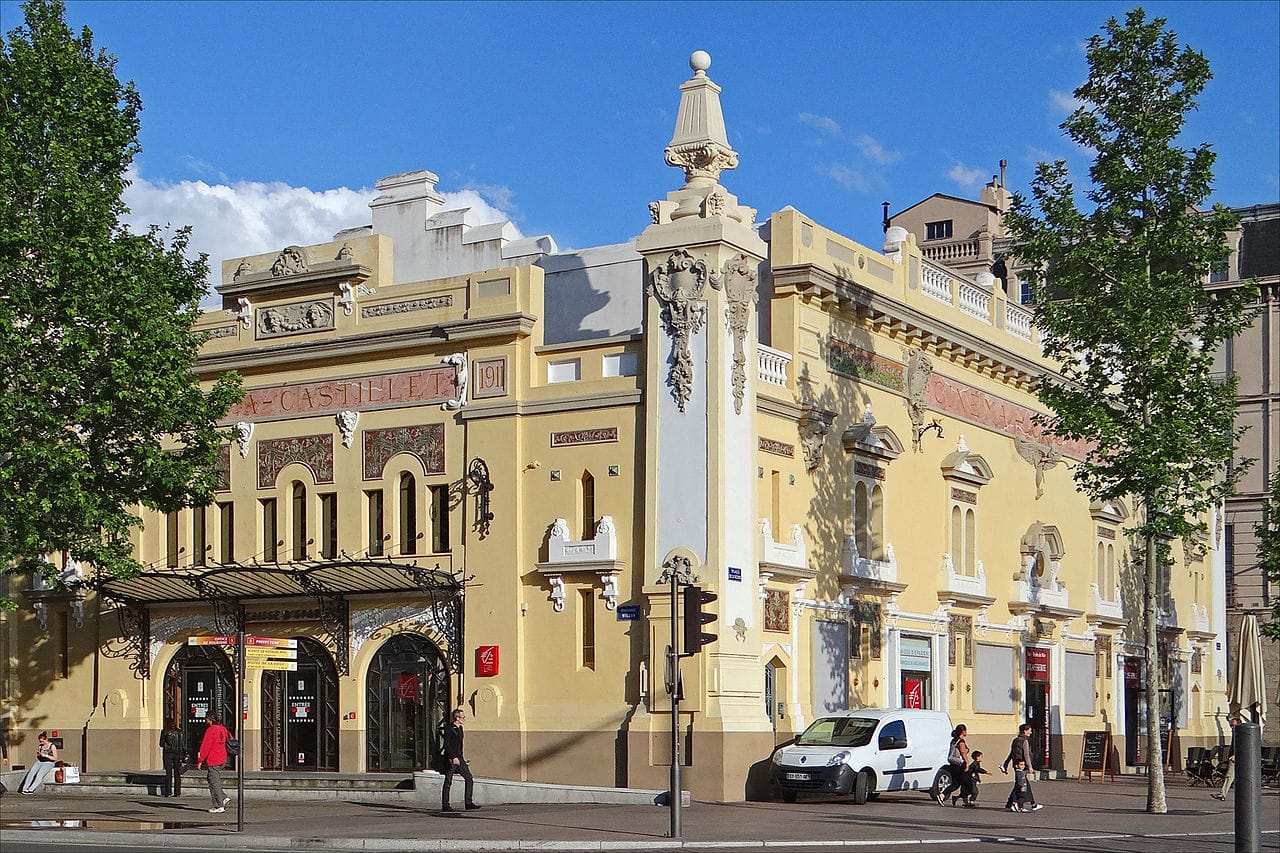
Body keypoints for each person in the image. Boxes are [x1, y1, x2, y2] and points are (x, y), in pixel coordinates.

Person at [441, 708, 480, 813]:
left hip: (460, 757)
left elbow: (460, 745)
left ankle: (468, 802)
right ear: (457, 718)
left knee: (469, 778)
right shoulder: (449, 729)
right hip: (452, 758)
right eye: (462, 717)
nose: (464, 719)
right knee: (448, 781)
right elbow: (447, 745)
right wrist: (453, 757)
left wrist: (461, 757)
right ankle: (445, 804)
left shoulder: (460, 728)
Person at [1000, 723, 1043, 811]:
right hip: (1022, 765)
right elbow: (1026, 754)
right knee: (1023, 785)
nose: (1030, 732)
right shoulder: (1025, 741)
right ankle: (1028, 804)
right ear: (1025, 730)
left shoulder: (1015, 740)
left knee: (1019, 784)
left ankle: (1010, 803)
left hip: (1016, 765)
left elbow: (1011, 753)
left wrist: (1006, 764)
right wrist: (1030, 766)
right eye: (1029, 730)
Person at [195, 713, 232, 813]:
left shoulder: (211, 730)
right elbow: (230, 738)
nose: (205, 720)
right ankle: (223, 797)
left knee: (213, 782)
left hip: (214, 759)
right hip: (222, 757)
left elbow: (205, 746)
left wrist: (200, 760)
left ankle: (219, 805)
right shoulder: (223, 728)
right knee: (212, 779)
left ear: (210, 719)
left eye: (206, 718)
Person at [937, 724, 969, 805]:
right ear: (962, 731)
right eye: (965, 730)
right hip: (959, 764)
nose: (966, 732)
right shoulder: (961, 741)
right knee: (965, 782)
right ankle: (966, 800)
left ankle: (942, 795)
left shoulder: (954, 740)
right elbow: (963, 752)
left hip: (953, 763)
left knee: (956, 784)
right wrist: (967, 763)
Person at [1212, 715, 1238, 801]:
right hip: (1237, 758)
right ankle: (1222, 794)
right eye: (1231, 725)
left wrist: (1234, 755)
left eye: (1233, 725)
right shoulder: (1236, 734)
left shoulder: (1238, 734)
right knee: (1230, 776)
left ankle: (1222, 794)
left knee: (1229, 776)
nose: (1231, 728)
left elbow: (1240, 746)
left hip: (1235, 758)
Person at [159, 720, 186, 798]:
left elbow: (161, 744)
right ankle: (177, 792)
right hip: (177, 754)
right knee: (177, 773)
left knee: (168, 773)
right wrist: (184, 755)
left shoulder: (164, 732)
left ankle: (168, 792)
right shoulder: (179, 732)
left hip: (167, 754)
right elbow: (182, 744)